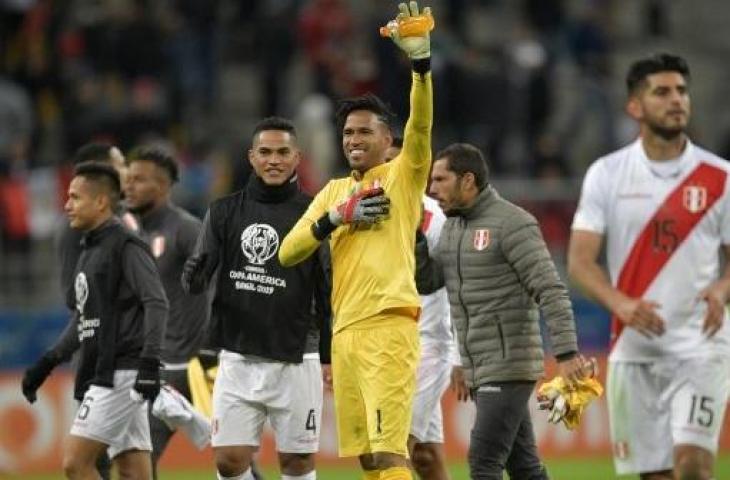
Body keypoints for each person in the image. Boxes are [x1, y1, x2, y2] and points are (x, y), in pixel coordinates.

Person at [279, 3, 433, 479]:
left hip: (388, 326)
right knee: (368, 458)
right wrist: (334, 218)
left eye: (365, 131)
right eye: (348, 132)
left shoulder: (403, 175)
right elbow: (288, 252)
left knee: (390, 453)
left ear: (389, 141)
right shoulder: (333, 192)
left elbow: (421, 127)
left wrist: (420, 68)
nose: (353, 139)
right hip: (345, 334)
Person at [567, 53, 730, 480]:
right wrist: (619, 304)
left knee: (694, 466)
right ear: (635, 107)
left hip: (702, 344)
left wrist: (723, 288)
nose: (676, 100)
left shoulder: (720, 177)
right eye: (662, 92)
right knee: (653, 475)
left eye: (681, 90)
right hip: (633, 347)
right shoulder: (607, 174)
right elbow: (580, 263)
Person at [415, 143, 587, 480]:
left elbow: (550, 289)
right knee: (524, 468)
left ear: (467, 180)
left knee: (483, 462)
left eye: (440, 179)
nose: (432, 189)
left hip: (509, 366)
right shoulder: (452, 229)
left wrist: (567, 354)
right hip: (481, 368)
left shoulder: (513, 223)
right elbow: (435, 286)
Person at [181, 116, 331, 480]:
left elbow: (327, 291)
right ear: (251, 157)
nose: (274, 160)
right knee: (229, 460)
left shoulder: (314, 214)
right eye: (265, 152)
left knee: (296, 462)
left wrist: (329, 355)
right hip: (237, 353)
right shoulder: (223, 212)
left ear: (297, 158)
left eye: (282, 152)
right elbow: (197, 278)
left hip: (297, 355)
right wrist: (193, 276)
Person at [21, 162, 168, 479]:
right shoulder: (90, 250)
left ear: (101, 202)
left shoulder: (125, 245)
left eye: (75, 197)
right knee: (133, 471)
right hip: (108, 369)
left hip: (121, 372)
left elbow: (156, 301)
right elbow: (84, 318)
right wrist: (47, 362)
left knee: (76, 463)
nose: (66, 204)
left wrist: (149, 363)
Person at [123, 146, 212, 478]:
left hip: (197, 367)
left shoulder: (185, 229)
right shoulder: (133, 234)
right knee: (138, 460)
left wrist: (212, 348)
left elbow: (217, 283)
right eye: (128, 179)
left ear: (162, 186)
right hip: (160, 368)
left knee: (232, 459)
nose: (128, 186)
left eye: (139, 180)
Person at [386, 138, 459, 480]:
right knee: (427, 457)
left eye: (399, 162)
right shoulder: (364, 213)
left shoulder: (435, 219)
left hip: (427, 347)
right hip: (385, 349)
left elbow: (462, 287)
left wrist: (460, 356)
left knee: (393, 447)